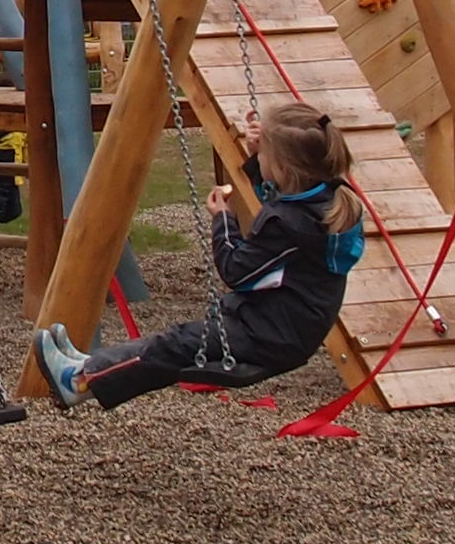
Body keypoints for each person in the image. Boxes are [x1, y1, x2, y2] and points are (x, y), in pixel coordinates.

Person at [33, 99, 366, 413]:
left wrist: (223, 220)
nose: (259, 157)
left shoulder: (287, 223)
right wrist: (257, 158)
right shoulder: (323, 202)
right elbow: (281, 198)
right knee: (173, 346)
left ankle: (78, 380)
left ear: (282, 167)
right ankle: (89, 366)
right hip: (283, 328)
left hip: (268, 335)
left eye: (265, 156)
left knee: (173, 346)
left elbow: (235, 270)